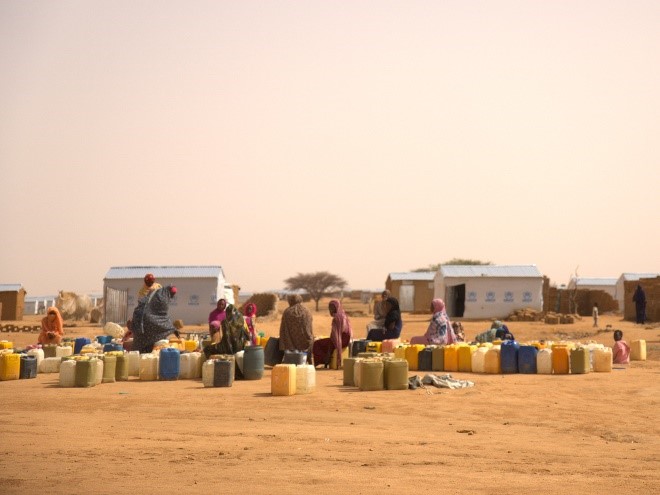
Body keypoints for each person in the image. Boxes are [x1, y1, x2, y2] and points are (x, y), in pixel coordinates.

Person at [131, 285, 179, 353]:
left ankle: (143, 355)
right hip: (151, 321)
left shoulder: (149, 297)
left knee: (141, 349)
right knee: (157, 340)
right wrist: (172, 328)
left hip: (139, 321)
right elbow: (162, 316)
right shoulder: (163, 296)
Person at [312, 299, 353, 368]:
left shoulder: (337, 318)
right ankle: (326, 359)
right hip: (346, 340)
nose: (330, 310)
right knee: (324, 342)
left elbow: (335, 337)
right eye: (329, 308)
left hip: (341, 340)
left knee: (316, 343)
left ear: (337, 307)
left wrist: (329, 351)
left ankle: (325, 360)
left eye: (332, 307)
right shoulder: (343, 315)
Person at [279, 294, 314, 363]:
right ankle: (309, 359)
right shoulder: (307, 311)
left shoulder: (287, 312)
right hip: (305, 342)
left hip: (290, 343)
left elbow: (283, 329)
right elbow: (310, 327)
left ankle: (290, 359)